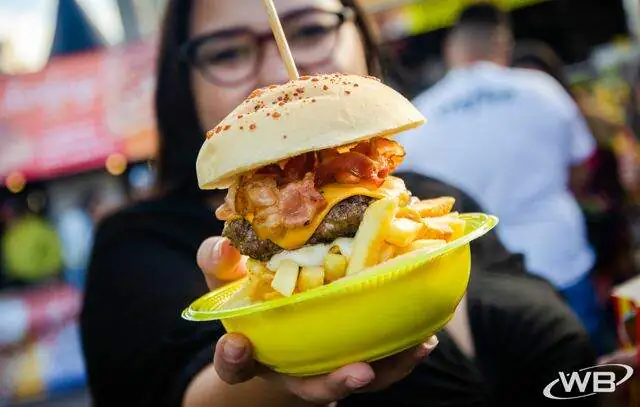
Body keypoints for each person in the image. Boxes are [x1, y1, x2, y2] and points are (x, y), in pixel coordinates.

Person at [81, 1, 596, 406]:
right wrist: (278, 373)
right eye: (227, 52)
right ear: (182, 83)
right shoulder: (136, 244)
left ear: (361, 36)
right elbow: (174, 391)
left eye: (310, 29)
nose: (279, 75)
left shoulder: (437, 198)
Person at [397, 4, 606, 352]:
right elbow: (582, 167)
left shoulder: (419, 117)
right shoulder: (541, 89)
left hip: (484, 286)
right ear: (503, 45)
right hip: (561, 255)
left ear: (452, 49)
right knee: (598, 374)